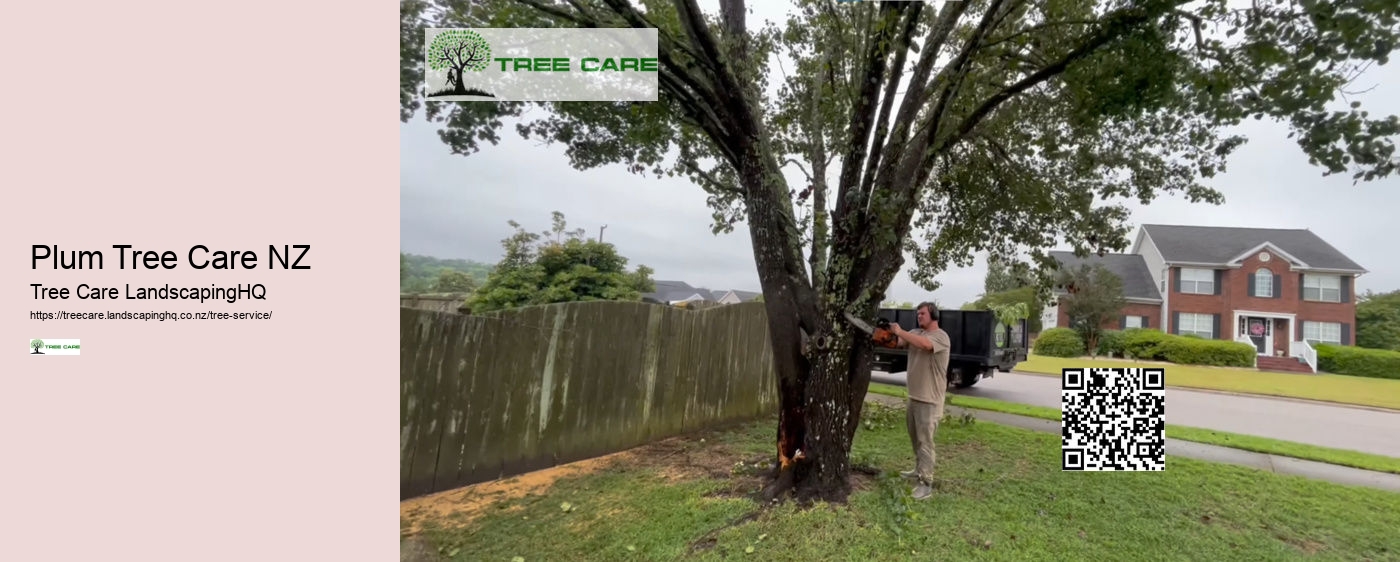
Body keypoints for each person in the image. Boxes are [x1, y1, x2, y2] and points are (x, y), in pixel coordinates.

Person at [887, 301, 951, 500]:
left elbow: (925, 346)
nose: (919, 316)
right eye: (918, 313)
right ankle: (918, 470)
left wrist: (900, 330)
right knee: (916, 439)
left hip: (929, 399)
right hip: (914, 396)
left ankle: (926, 484)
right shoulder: (916, 332)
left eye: (922, 313)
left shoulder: (940, 337)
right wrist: (885, 334)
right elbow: (899, 343)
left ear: (933, 315)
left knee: (925, 443)